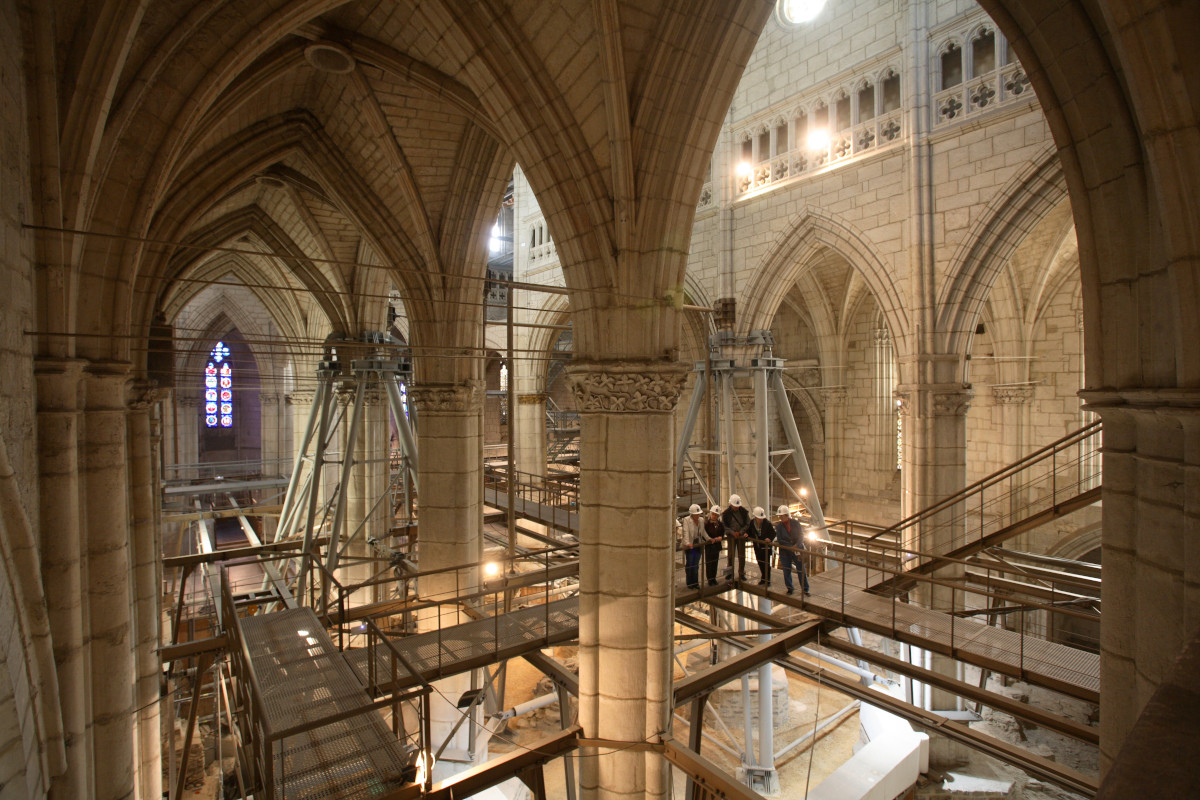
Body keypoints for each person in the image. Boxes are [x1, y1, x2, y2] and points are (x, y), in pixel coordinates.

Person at [775, 504, 809, 596]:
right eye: (780, 516)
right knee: (786, 570)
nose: (780, 518)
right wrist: (790, 546)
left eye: (782, 516)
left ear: (786, 515)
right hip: (785, 551)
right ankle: (790, 588)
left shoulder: (795, 523)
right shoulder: (779, 527)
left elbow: (801, 535)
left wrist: (796, 545)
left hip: (797, 550)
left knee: (801, 570)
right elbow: (780, 539)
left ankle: (805, 589)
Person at [721, 494, 751, 581]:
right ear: (731, 504)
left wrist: (741, 532)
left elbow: (747, 523)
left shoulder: (744, 512)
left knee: (742, 555)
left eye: (737, 506)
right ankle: (730, 574)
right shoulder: (726, 514)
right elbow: (724, 525)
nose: (736, 508)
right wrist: (732, 532)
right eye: (735, 506)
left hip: (741, 537)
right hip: (731, 537)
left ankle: (741, 574)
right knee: (730, 555)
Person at [748, 506, 776, 585]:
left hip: (766, 548)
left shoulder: (767, 524)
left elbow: (773, 533)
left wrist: (769, 539)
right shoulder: (751, 523)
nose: (760, 520)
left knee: (766, 564)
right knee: (760, 563)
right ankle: (763, 579)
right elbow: (750, 531)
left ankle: (767, 580)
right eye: (759, 518)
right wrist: (747, 534)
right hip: (757, 547)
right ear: (755, 517)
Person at [680, 504, 705, 589]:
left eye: (699, 514)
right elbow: (685, 532)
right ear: (692, 514)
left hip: (698, 545)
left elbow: (703, 532)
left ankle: (695, 582)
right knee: (690, 563)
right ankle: (689, 583)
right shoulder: (686, 520)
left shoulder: (701, 520)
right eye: (696, 514)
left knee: (696, 564)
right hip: (691, 546)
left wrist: (710, 539)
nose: (698, 516)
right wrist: (687, 543)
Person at [702, 505, 725, 587]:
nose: (715, 516)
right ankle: (709, 579)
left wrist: (720, 538)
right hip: (709, 547)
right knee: (709, 563)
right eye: (713, 514)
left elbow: (722, 533)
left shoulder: (720, 524)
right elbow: (704, 535)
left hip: (716, 546)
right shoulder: (706, 524)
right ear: (711, 514)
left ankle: (713, 578)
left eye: (716, 515)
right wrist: (711, 539)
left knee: (715, 563)